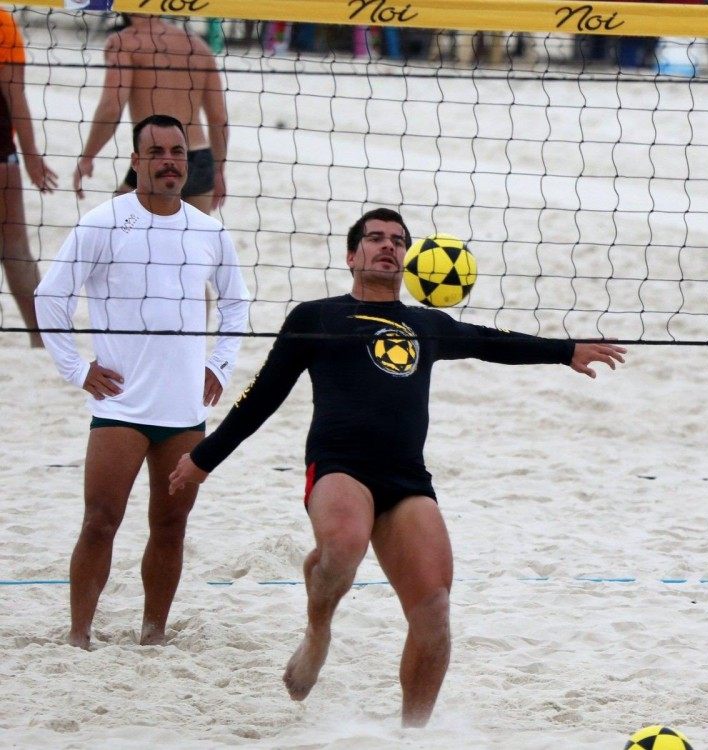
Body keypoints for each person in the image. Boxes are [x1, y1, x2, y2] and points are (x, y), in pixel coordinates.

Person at [168, 207, 625, 726]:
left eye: (398, 241)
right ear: (351, 255)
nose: (389, 246)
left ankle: (413, 733)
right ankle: (319, 632)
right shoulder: (316, 317)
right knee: (342, 547)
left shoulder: (425, 324)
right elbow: (261, 397)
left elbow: (491, 341)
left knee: (433, 609)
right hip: (340, 465)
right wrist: (204, 460)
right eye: (376, 238)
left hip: (407, 479)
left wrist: (565, 351)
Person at [35, 114, 250, 650]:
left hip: (184, 410)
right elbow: (50, 297)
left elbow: (238, 304)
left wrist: (220, 364)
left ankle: (153, 634)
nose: (170, 161)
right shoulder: (104, 222)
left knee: (171, 526)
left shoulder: (208, 231)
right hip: (122, 406)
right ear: (136, 162)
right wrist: (77, 368)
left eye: (177, 152)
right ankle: (79, 634)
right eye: (156, 152)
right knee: (100, 522)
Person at [73, 14, 228, 214]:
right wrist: (218, 170)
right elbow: (219, 118)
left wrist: (87, 157)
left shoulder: (124, 42)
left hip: (156, 156)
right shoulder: (197, 45)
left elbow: (112, 107)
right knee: (189, 241)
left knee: (118, 229)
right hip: (200, 159)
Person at [0, 9, 57, 347]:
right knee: (16, 248)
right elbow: (15, 95)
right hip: (1, 156)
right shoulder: (2, 22)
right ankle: (40, 339)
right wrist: (32, 155)